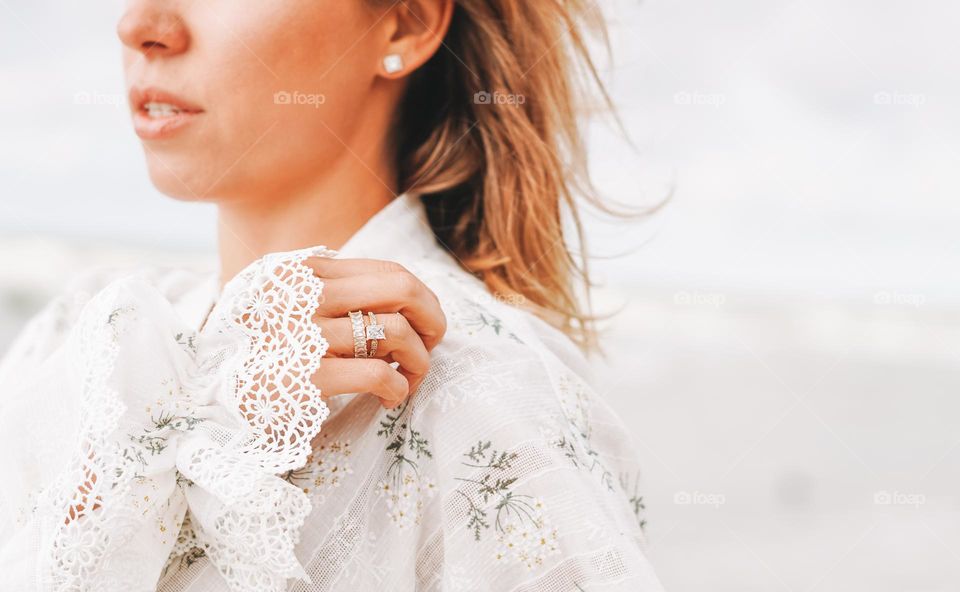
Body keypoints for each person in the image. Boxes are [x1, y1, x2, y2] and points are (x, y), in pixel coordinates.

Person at [0, 0, 665, 590]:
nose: (141, 24)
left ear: (405, 23)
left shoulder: (473, 392)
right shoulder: (81, 338)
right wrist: (198, 406)